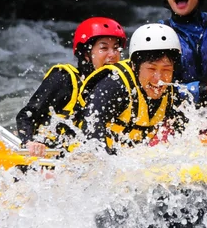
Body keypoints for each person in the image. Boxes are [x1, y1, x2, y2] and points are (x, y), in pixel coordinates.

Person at [16, 17, 126, 156]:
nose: (113, 55)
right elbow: (26, 115)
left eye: (116, 48)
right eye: (104, 48)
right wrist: (29, 142)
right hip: (48, 157)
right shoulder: (64, 78)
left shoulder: (117, 87)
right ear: (86, 54)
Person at [77, 23, 187, 152]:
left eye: (166, 70)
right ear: (134, 66)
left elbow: (186, 135)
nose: (159, 79)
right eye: (151, 69)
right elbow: (91, 131)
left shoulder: (171, 92)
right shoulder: (114, 85)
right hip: (80, 154)